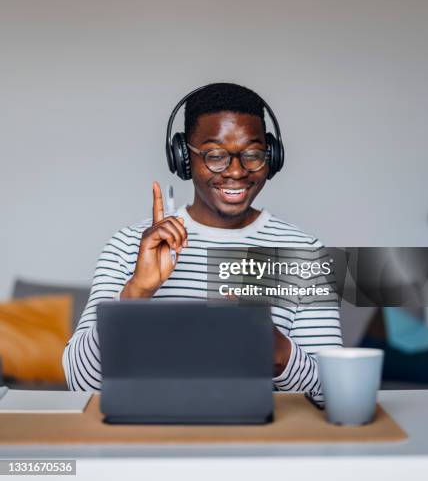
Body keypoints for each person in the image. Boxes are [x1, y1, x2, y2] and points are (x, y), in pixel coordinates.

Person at [63, 83, 342, 405]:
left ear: (273, 156)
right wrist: (137, 292)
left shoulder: (305, 250)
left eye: (252, 154)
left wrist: (279, 352)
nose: (236, 171)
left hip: (257, 443)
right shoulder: (128, 246)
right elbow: (80, 383)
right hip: (143, 441)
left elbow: (334, 395)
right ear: (183, 158)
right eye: (215, 155)